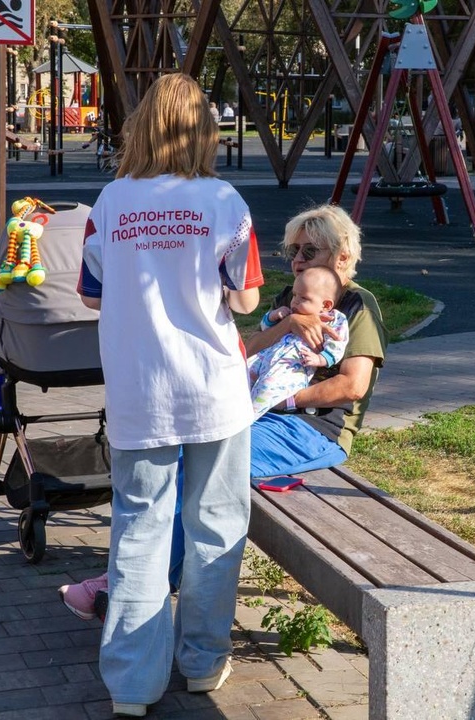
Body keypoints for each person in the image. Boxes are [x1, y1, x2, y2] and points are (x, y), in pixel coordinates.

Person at [60, 203, 389, 631]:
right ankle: (141, 583)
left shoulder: (356, 305)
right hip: (263, 418)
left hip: (312, 430)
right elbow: (246, 352)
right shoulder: (294, 300)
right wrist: (286, 327)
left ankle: (133, 589)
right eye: (293, 251)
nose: (296, 262)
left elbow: (352, 385)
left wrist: (283, 400)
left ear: (342, 257)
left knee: (197, 472)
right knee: (183, 461)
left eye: (308, 252)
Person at [75, 73, 264, 718]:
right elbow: (245, 297)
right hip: (213, 389)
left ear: (141, 128)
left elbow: (92, 292)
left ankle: (131, 683)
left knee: (138, 529)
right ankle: (203, 663)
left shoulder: (109, 202)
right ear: (204, 130)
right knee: (215, 526)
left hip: (139, 390)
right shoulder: (224, 202)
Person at [248, 266, 349, 419]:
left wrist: (321, 359)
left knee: (267, 388)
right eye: (295, 295)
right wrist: (273, 316)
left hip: (291, 366)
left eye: (304, 298)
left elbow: (338, 343)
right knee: (240, 372)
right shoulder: (289, 313)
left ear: (326, 305)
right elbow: (264, 328)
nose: (295, 301)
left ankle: (248, 418)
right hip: (266, 357)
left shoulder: (333, 319)